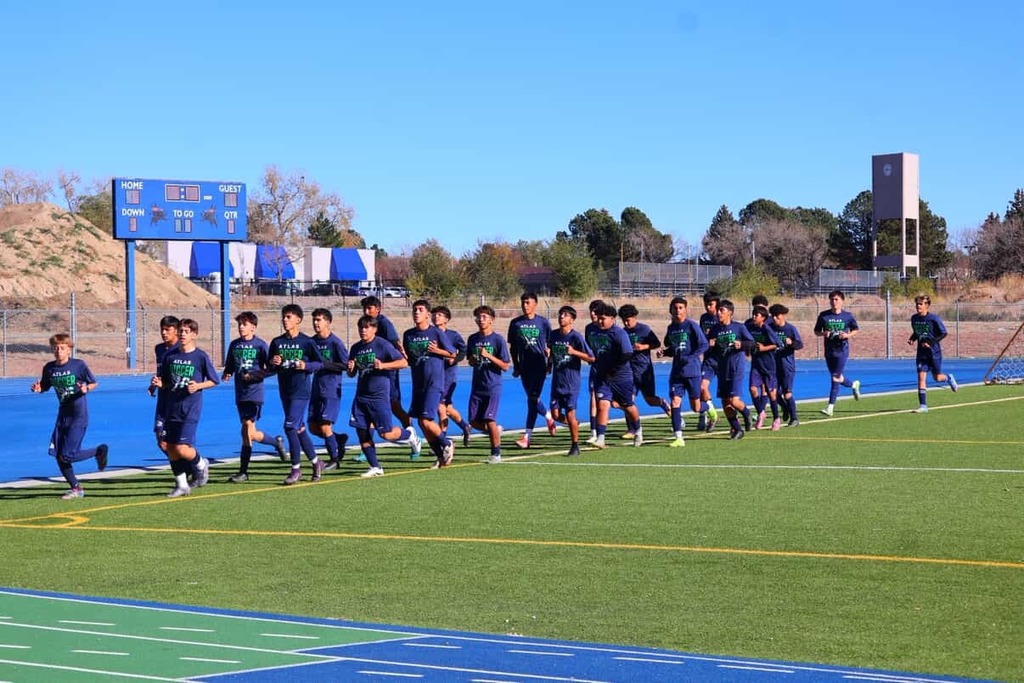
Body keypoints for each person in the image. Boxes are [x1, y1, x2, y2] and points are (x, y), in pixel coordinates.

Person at [31, 334, 108, 500]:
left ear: (69, 350)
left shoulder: (78, 365)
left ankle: (98, 451)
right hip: (62, 415)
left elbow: (94, 382)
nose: (58, 351)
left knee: (67, 455)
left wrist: (86, 388)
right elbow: (45, 385)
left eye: (62, 348)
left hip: (78, 414)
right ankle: (76, 488)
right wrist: (39, 388)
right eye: (55, 348)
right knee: (58, 454)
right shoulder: (49, 368)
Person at [150, 318, 219, 497]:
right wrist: (158, 383)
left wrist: (198, 386)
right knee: (170, 447)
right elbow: (165, 381)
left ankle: (201, 463)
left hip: (190, 408)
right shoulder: (170, 357)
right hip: (172, 407)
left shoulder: (200, 356)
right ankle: (182, 485)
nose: (182, 334)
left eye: (186, 331)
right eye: (181, 331)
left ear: (194, 335)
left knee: (182, 448)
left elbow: (214, 380)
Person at [347, 315, 418, 477]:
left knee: (385, 434)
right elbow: (352, 374)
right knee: (362, 431)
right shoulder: (356, 348)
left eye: (367, 327)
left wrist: (384, 365)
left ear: (374, 329)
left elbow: (403, 363)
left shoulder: (382, 344)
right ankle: (376, 467)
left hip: (379, 397)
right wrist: (351, 369)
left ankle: (410, 435)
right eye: (361, 327)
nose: (363, 331)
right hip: (361, 396)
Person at [222, 311, 286, 483]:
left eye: (245, 324)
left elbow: (270, 369)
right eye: (239, 324)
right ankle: (276, 442)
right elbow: (230, 364)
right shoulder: (234, 345)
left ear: (253, 327)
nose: (241, 327)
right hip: (240, 393)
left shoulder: (260, 345)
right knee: (251, 432)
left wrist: (255, 376)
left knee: (246, 429)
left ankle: (243, 471)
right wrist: (227, 372)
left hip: (254, 394)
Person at [268, 304, 326, 485]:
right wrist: (274, 361)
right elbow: (270, 367)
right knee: (299, 429)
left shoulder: (307, 342)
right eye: (284, 317)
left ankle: (295, 469)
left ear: (298, 320)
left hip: (301, 391)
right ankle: (317, 463)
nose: (285, 320)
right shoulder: (276, 342)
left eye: (288, 317)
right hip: (285, 391)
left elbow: (320, 363)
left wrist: (306, 366)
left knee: (289, 427)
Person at [361, 295, 418, 457]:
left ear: (377, 309)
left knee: (394, 405)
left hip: (388, 371)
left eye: (369, 308)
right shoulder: (366, 325)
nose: (366, 311)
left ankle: (411, 432)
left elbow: (396, 343)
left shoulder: (384, 324)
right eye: (364, 309)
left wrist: (400, 360)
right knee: (369, 406)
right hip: (373, 374)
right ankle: (367, 449)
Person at [403, 299, 457, 468]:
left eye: (420, 310)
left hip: (434, 382)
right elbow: (410, 359)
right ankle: (441, 457)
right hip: (418, 383)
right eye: (414, 309)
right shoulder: (408, 335)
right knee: (420, 422)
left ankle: (446, 442)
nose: (416, 312)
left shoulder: (436, 333)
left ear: (428, 314)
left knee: (426, 420)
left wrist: (436, 351)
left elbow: (452, 354)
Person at [659, 297, 710, 447]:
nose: (678, 310)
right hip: (676, 372)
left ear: (686, 310)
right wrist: (665, 353)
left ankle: (709, 408)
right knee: (675, 401)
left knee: (696, 407)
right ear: (671, 310)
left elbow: (704, 345)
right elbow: (673, 348)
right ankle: (679, 437)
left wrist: (691, 357)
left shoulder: (692, 326)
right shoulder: (671, 328)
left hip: (692, 371)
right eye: (675, 308)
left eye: (681, 307)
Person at [589, 302, 642, 448]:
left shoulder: (619, 333)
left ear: (612, 319)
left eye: (603, 318)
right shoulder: (593, 331)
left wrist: (614, 368)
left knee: (627, 405)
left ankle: (638, 429)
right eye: (598, 318)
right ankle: (600, 437)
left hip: (621, 377)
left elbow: (627, 353)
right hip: (602, 376)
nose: (600, 321)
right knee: (603, 404)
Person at [507, 291, 556, 449]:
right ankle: (548, 416)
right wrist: (516, 365)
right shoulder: (515, 323)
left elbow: (550, 345)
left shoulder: (543, 322)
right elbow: (513, 347)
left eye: (528, 302)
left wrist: (550, 363)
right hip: (524, 366)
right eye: (523, 302)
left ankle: (527, 437)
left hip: (539, 365)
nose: (525, 306)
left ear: (535, 303)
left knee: (533, 399)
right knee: (532, 398)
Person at [618, 304, 671, 439]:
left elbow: (657, 343)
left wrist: (643, 346)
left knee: (650, 400)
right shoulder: (623, 332)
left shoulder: (644, 329)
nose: (626, 323)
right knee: (627, 401)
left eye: (628, 320)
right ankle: (631, 429)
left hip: (644, 370)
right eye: (623, 320)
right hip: (629, 372)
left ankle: (664, 404)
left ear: (635, 317)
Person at [466, 305, 511, 463]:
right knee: (472, 420)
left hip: (493, 386)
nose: (480, 319)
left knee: (489, 419)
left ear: (491, 320)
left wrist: (488, 355)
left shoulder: (497, 340)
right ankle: (496, 432)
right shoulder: (472, 339)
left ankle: (496, 453)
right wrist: (473, 359)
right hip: (477, 386)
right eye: (478, 317)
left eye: (484, 317)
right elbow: (470, 361)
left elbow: (505, 365)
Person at [548, 305, 594, 456]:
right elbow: (550, 353)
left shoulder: (576, 337)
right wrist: (548, 360)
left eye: (565, 315)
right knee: (555, 415)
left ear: (572, 320)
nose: (562, 317)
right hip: (557, 382)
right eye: (560, 315)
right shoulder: (553, 335)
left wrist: (574, 352)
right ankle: (575, 425)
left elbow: (591, 358)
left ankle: (575, 445)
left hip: (571, 383)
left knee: (570, 414)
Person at [706, 300, 756, 440]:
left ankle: (746, 413)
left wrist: (742, 344)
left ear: (730, 313)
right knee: (725, 403)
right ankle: (737, 429)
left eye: (722, 310)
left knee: (734, 401)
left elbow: (752, 344)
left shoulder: (739, 328)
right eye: (718, 310)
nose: (718, 313)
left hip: (736, 367)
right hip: (721, 368)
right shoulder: (715, 330)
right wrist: (710, 345)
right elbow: (708, 348)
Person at [309, 308, 350, 471]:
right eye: (314, 320)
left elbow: (346, 365)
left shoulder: (335, 343)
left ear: (328, 322)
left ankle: (334, 459)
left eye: (319, 320)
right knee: (313, 427)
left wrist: (325, 365)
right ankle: (338, 439)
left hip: (331, 389)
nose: (316, 323)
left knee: (325, 426)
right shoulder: (311, 342)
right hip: (316, 389)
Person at [814, 290, 861, 416]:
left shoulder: (848, 316)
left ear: (842, 301)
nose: (834, 302)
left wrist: (847, 335)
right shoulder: (824, 315)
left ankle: (830, 407)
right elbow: (817, 331)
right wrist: (824, 333)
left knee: (835, 377)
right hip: (829, 350)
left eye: (836, 299)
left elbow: (856, 329)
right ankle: (853, 385)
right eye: (832, 300)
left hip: (842, 350)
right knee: (837, 377)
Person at [908, 294, 958, 412]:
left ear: (927, 306)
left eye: (920, 304)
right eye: (917, 304)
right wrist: (912, 338)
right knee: (921, 377)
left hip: (934, 352)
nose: (918, 306)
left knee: (937, 378)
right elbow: (916, 332)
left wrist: (931, 343)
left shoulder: (934, 319)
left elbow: (943, 333)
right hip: (921, 353)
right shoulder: (914, 318)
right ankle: (923, 406)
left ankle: (948, 378)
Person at [432, 305, 472, 446]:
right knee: (447, 408)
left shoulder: (453, 335)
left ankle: (442, 440)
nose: (436, 317)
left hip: (448, 376)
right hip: (433, 375)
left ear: (447, 319)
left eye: (440, 315)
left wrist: (454, 359)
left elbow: (463, 350)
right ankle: (465, 426)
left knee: (440, 407)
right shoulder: (429, 333)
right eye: (435, 315)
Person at [745, 304, 782, 430]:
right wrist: (747, 350)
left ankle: (776, 418)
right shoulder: (749, 327)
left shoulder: (767, 329)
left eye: (757, 315)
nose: (754, 317)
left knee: (772, 394)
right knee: (752, 388)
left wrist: (764, 348)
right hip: (756, 365)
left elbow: (778, 344)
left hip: (769, 366)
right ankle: (761, 412)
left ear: (763, 318)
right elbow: (745, 340)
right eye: (753, 314)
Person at [768, 303, 804, 427]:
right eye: (772, 316)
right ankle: (785, 407)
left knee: (787, 392)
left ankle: (794, 419)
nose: (774, 318)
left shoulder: (790, 329)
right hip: (772, 365)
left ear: (783, 316)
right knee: (772, 391)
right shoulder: (769, 328)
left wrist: (791, 343)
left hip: (787, 366)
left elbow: (799, 344)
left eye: (776, 316)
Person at [149, 315, 180, 457]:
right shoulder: (159, 349)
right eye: (162, 329)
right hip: (163, 399)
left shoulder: (182, 350)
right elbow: (161, 371)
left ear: (176, 331)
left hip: (178, 400)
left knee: (178, 442)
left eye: (168, 330)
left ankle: (192, 464)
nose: (164, 333)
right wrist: (154, 385)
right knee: (161, 440)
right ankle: (183, 467)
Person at [698, 293, 721, 432]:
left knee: (728, 396)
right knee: (702, 386)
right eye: (706, 304)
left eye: (711, 304)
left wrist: (716, 341)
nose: (708, 307)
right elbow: (702, 336)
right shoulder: (704, 318)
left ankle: (736, 420)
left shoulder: (722, 316)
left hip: (724, 360)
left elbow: (730, 334)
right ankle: (707, 414)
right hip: (708, 360)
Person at [584, 299, 605, 444]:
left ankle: (634, 426)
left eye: (595, 311)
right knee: (593, 398)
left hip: (611, 370)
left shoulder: (608, 328)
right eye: (590, 310)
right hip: (595, 368)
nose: (592, 314)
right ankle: (594, 432)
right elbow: (587, 347)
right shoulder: (589, 328)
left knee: (617, 402)